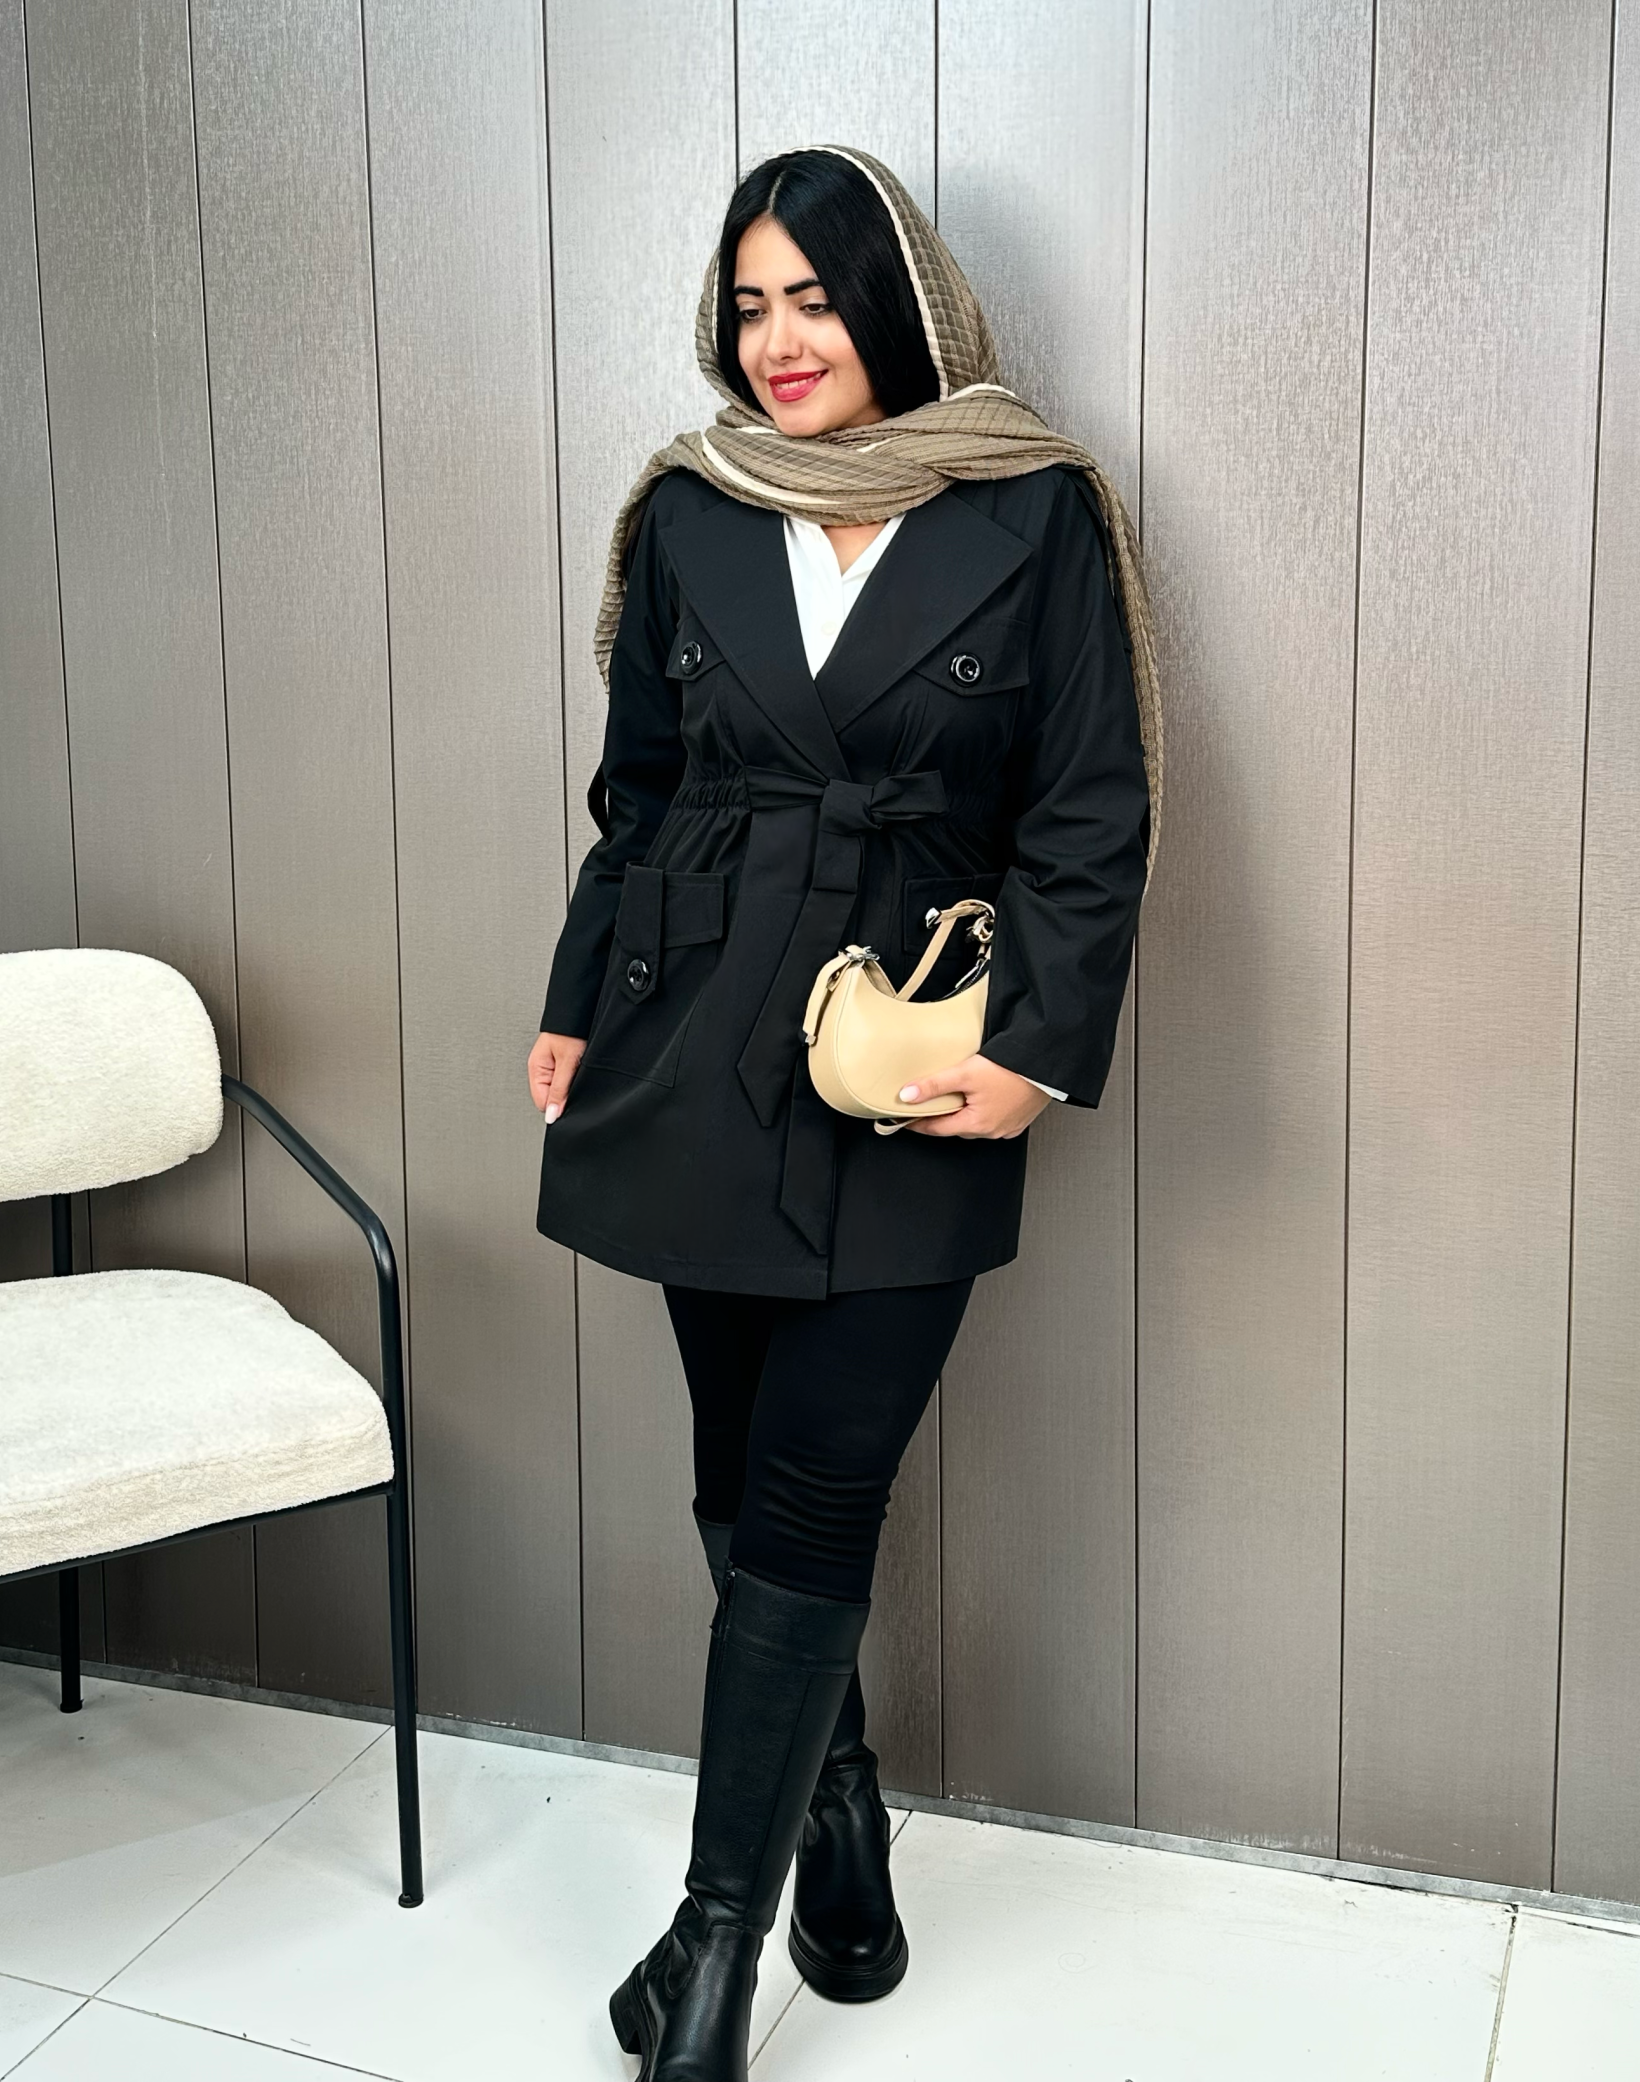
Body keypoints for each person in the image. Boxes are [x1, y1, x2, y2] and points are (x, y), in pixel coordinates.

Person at [527, 146, 1157, 2082]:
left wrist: (1036, 1049)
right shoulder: (694, 507)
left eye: (812, 298)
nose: (776, 342)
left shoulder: (1034, 507)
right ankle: (841, 1814)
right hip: (694, 1036)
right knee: (735, 1472)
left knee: (818, 1483)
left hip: (910, 1057)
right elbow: (639, 791)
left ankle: (712, 1956)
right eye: (748, 306)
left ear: (896, 301)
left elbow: (1088, 804)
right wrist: (574, 997)